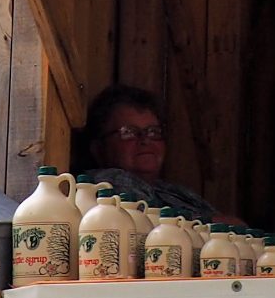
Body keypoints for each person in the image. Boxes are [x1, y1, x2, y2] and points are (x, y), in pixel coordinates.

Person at [79, 84, 215, 222]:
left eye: (153, 131)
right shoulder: (107, 182)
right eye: (128, 132)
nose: (145, 140)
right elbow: (155, 224)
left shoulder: (172, 190)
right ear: (98, 149)